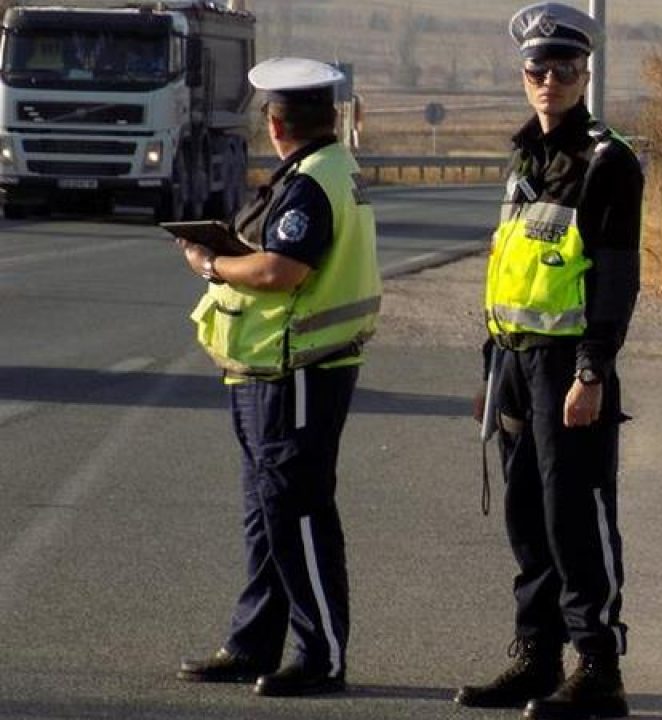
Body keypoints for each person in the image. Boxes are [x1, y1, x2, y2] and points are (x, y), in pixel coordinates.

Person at [455, 4, 643, 720]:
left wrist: (592, 371)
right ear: (523, 74)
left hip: (569, 367)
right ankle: (537, 657)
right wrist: (489, 370)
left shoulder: (606, 161)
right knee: (527, 516)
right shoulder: (525, 156)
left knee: (575, 513)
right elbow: (510, 271)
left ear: (585, 74)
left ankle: (598, 667)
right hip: (514, 361)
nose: (550, 81)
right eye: (538, 69)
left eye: (565, 69)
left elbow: (616, 279)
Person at [173, 57, 381, 697]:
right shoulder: (326, 170)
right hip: (274, 367)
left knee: (298, 514)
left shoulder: (312, 183)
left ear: (275, 122)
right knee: (268, 514)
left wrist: (211, 265)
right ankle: (254, 643)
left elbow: (281, 270)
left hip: (300, 370)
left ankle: (321, 656)